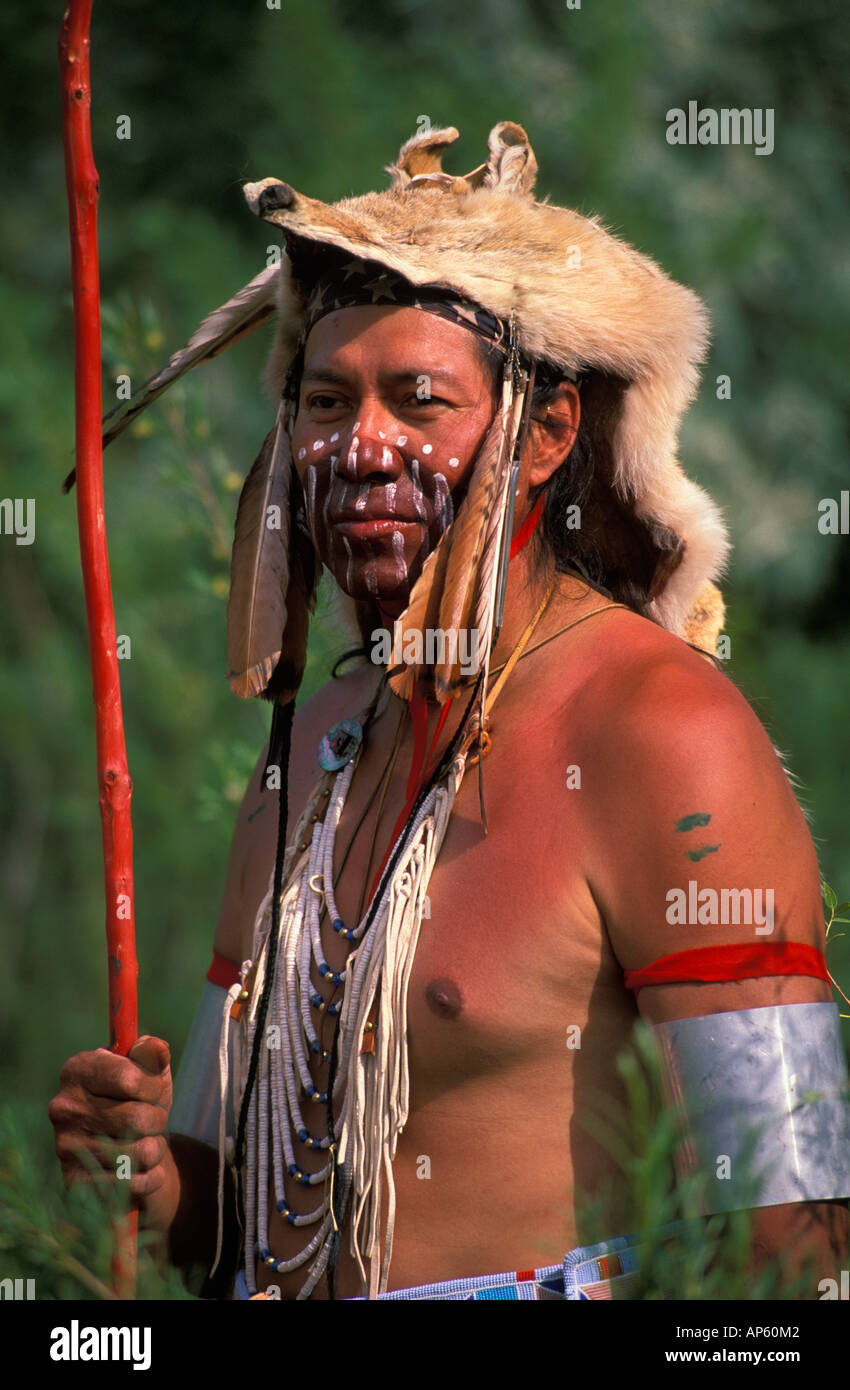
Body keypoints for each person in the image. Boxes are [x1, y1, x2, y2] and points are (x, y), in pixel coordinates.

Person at [49, 121, 850, 1301]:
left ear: (547, 434)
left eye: (420, 401)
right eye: (326, 401)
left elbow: (790, 1236)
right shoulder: (312, 744)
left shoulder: (659, 728)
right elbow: (233, 1207)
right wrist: (146, 1176)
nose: (362, 446)